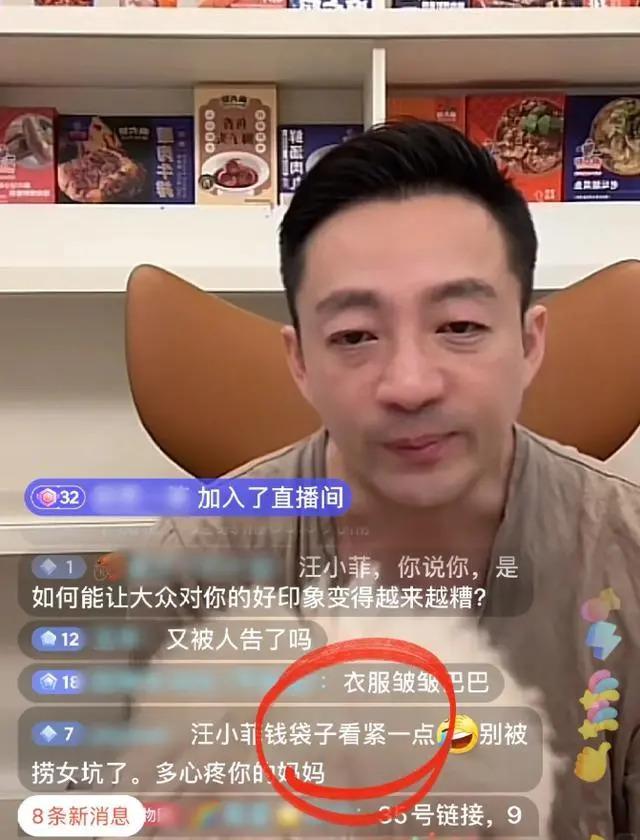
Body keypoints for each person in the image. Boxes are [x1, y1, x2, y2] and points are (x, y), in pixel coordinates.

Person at [133, 121, 639, 838]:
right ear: (300, 363)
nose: (409, 384)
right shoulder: (193, 566)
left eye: (459, 326)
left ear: (529, 345)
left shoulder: (626, 558)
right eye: (355, 336)